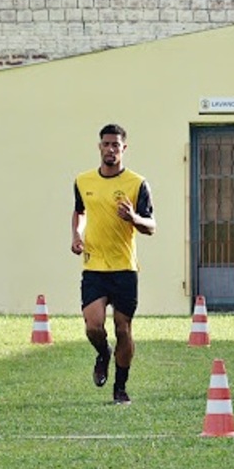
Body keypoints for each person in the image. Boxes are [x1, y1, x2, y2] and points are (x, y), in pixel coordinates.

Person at [71, 124, 156, 405]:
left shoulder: (137, 183)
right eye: (106, 144)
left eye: (116, 145)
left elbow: (151, 226)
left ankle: (120, 388)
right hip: (94, 266)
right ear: (99, 147)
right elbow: (80, 211)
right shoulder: (83, 181)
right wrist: (76, 235)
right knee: (93, 326)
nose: (110, 150)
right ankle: (103, 353)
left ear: (124, 149)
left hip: (124, 268)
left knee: (123, 329)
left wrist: (134, 218)